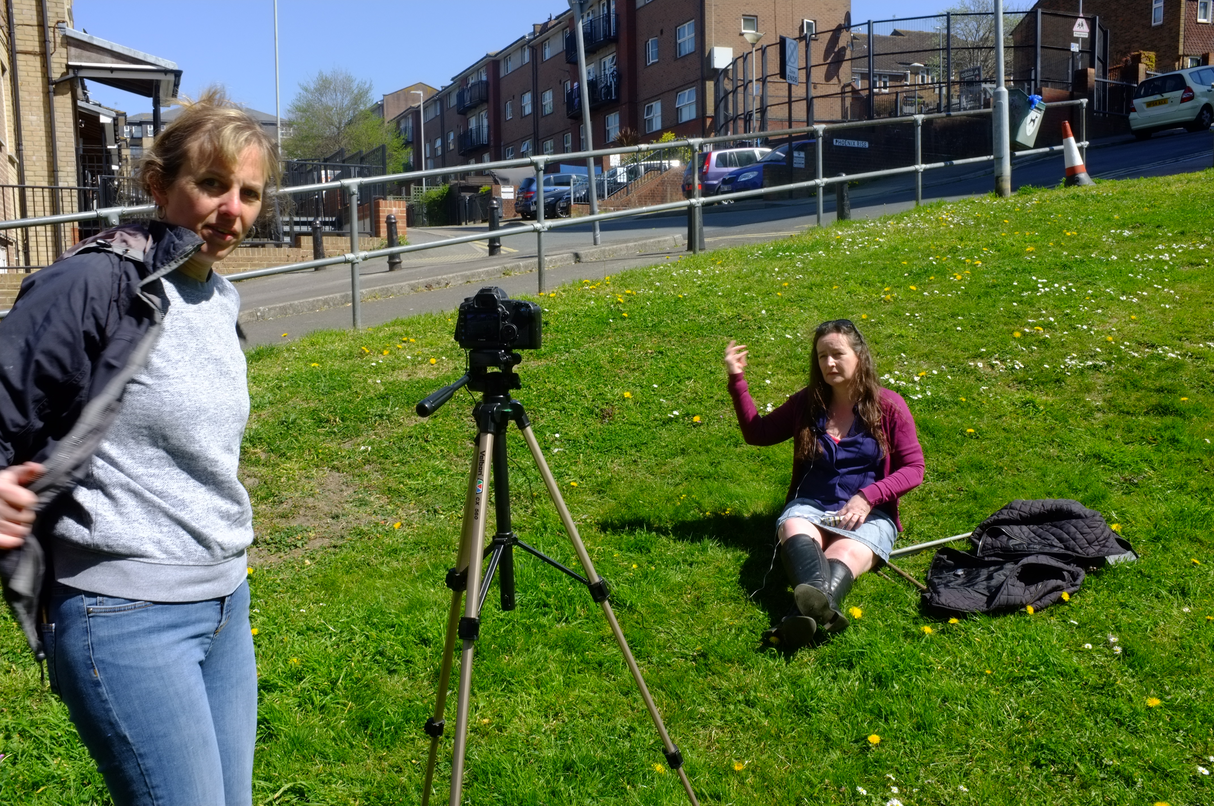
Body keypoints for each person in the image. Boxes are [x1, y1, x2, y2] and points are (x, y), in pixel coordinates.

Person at [0, 88, 277, 805]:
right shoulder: (96, 282)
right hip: (124, 615)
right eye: (212, 184)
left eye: (249, 193)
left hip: (225, 603)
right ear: (158, 184)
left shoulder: (218, 299)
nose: (232, 210)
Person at [724, 319, 925, 649]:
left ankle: (793, 622)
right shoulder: (807, 403)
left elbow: (914, 468)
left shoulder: (890, 406)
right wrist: (737, 380)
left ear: (859, 355)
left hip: (869, 515)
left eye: (837, 354)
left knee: (842, 552)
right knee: (791, 526)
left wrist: (868, 496)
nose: (829, 363)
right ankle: (823, 612)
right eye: (821, 356)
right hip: (812, 506)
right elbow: (757, 434)